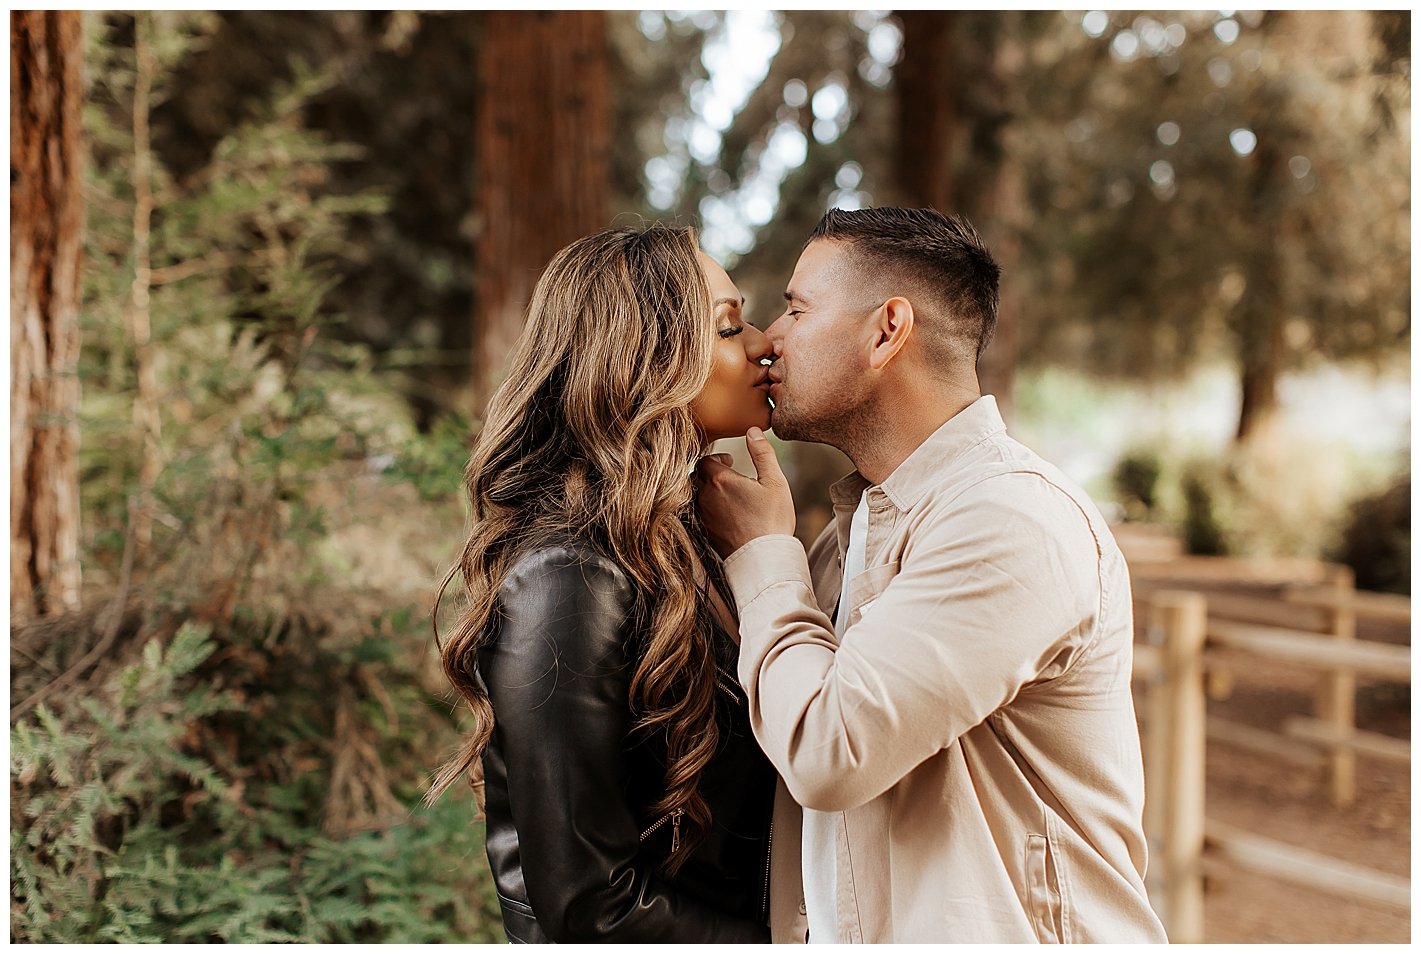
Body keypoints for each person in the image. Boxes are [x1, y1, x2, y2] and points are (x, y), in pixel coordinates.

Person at [695, 207, 1169, 943]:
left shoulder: (1010, 523)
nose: (771, 339)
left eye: (796, 308)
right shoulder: (849, 536)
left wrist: (761, 555)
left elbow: (829, 754)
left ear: (887, 330)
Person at [427, 224, 801, 943]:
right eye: (727, 328)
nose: (762, 343)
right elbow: (589, 910)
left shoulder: (688, 543)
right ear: (646, 361)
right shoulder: (569, 574)